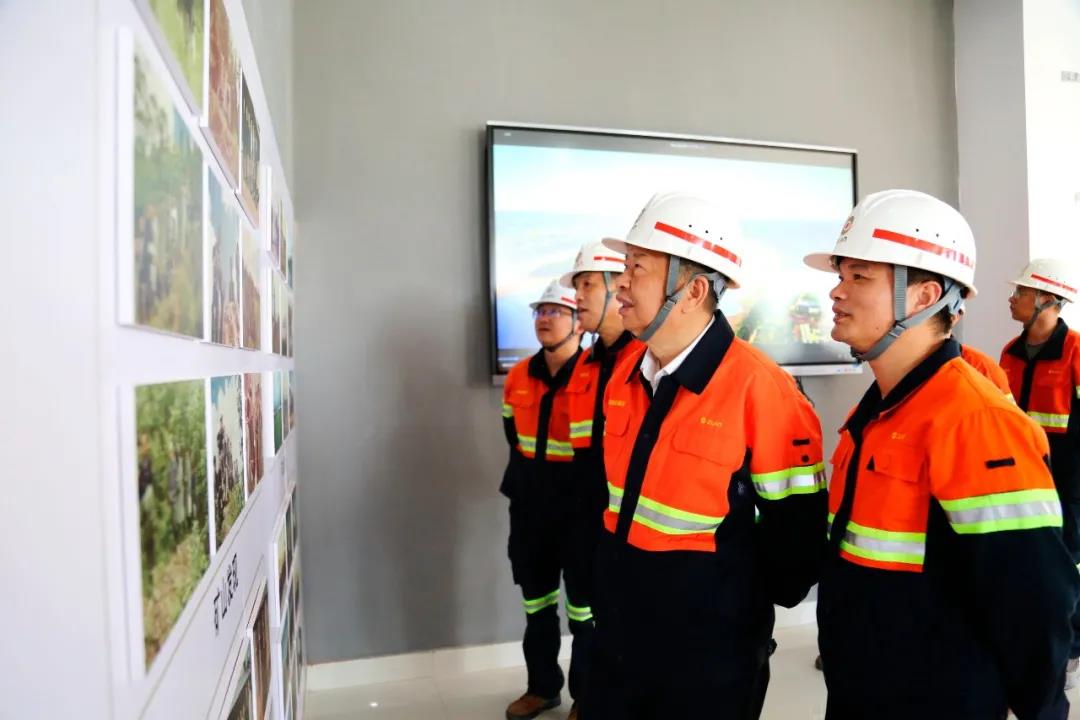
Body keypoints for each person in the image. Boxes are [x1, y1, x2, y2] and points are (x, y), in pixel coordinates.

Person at [804, 189, 1079, 718]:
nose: (837, 291)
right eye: (840, 275)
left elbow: (1034, 602)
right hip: (864, 688)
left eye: (859, 276)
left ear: (925, 296)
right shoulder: (877, 412)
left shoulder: (975, 419)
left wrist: (1042, 710)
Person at [584, 192, 826, 719]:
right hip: (620, 634)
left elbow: (796, 543)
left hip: (707, 657)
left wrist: (730, 608)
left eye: (638, 268)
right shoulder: (625, 374)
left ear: (692, 291)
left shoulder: (764, 390)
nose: (621, 282)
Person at [500, 279, 586, 720]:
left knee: (585, 613)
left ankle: (587, 699)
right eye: (540, 311)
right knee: (537, 606)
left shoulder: (595, 376)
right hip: (530, 509)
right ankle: (542, 689)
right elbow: (512, 434)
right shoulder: (518, 375)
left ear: (579, 322)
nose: (544, 319)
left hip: (579, 512)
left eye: (556, 311)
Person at [999, 258, 1080, 688]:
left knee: (1069, 559)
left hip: (1070, 476)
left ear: (1048, 300)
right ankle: (1032, 642)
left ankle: (1071, 648)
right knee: (1031, 559)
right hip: (1025, 474)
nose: (1012, 299)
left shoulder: (1076, 350)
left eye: (1022, 293)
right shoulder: (1009, 353)